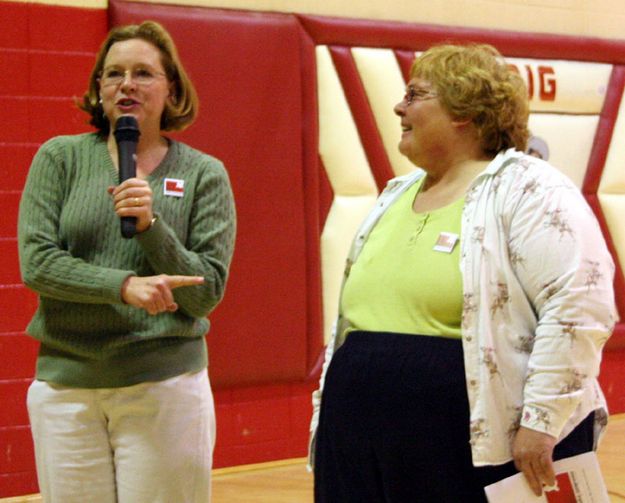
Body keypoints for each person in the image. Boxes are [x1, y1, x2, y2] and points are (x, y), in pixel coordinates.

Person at [309, 43, 616, 502]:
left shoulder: (531, 188)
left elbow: (579, 304)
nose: (399, 106)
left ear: (465, 112)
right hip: (359, 432)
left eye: (415, 95)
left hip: (463, 442)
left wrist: (542, 420)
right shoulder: (396, 192)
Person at [18, 20, 236, 503]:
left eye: (143, 73)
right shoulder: (60, 158)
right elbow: (37, 264)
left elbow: (204, 292)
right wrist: (122, 285)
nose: (127, 85)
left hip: (164, 387)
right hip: (67, 389)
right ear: (99, 88)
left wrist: (150, 227)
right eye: (113, 74)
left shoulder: (203, 174)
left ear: (171, 88)